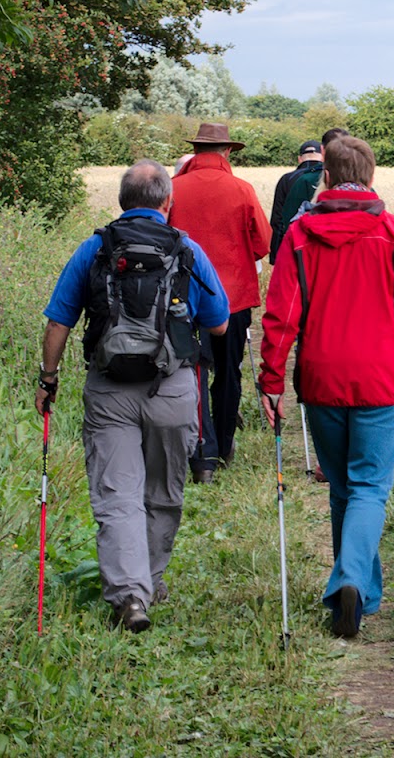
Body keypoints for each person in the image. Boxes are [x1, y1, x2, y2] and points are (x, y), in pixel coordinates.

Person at [34, 159, 229, 633]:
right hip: (172, 387)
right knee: (162, 492)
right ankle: (152, 581)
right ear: (168, 202)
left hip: (109, 390)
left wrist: (48, 378)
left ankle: (130, 596)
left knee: (116, 494)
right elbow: (220, 321)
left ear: (122, 202)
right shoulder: (187, 250)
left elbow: (60, 320)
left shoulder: (94, 249)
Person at [257, 135, 394, 639]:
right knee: (370, 489)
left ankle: (355, 588)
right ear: (373, 177)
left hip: (321, 378)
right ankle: (355, 581)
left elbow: (281, 318)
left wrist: (271, 381)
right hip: (383, 381)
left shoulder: (299, 236)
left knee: (342, 486)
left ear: (328, 178)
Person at [170, 122, 271, 481]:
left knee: (187, 373)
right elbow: (262, 243)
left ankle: (201, 450)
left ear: (196, 151)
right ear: (228, 151)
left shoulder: (172, 189)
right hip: (232, 299)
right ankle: (224, 445)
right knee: (228, 374)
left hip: (179, 301)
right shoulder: (242, 189)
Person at [267, 128, 348, 264]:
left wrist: (276, 258)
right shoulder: (364, 186)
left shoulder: (293, 180)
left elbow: (280, 222)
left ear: (323, 151)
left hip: (307, 259)